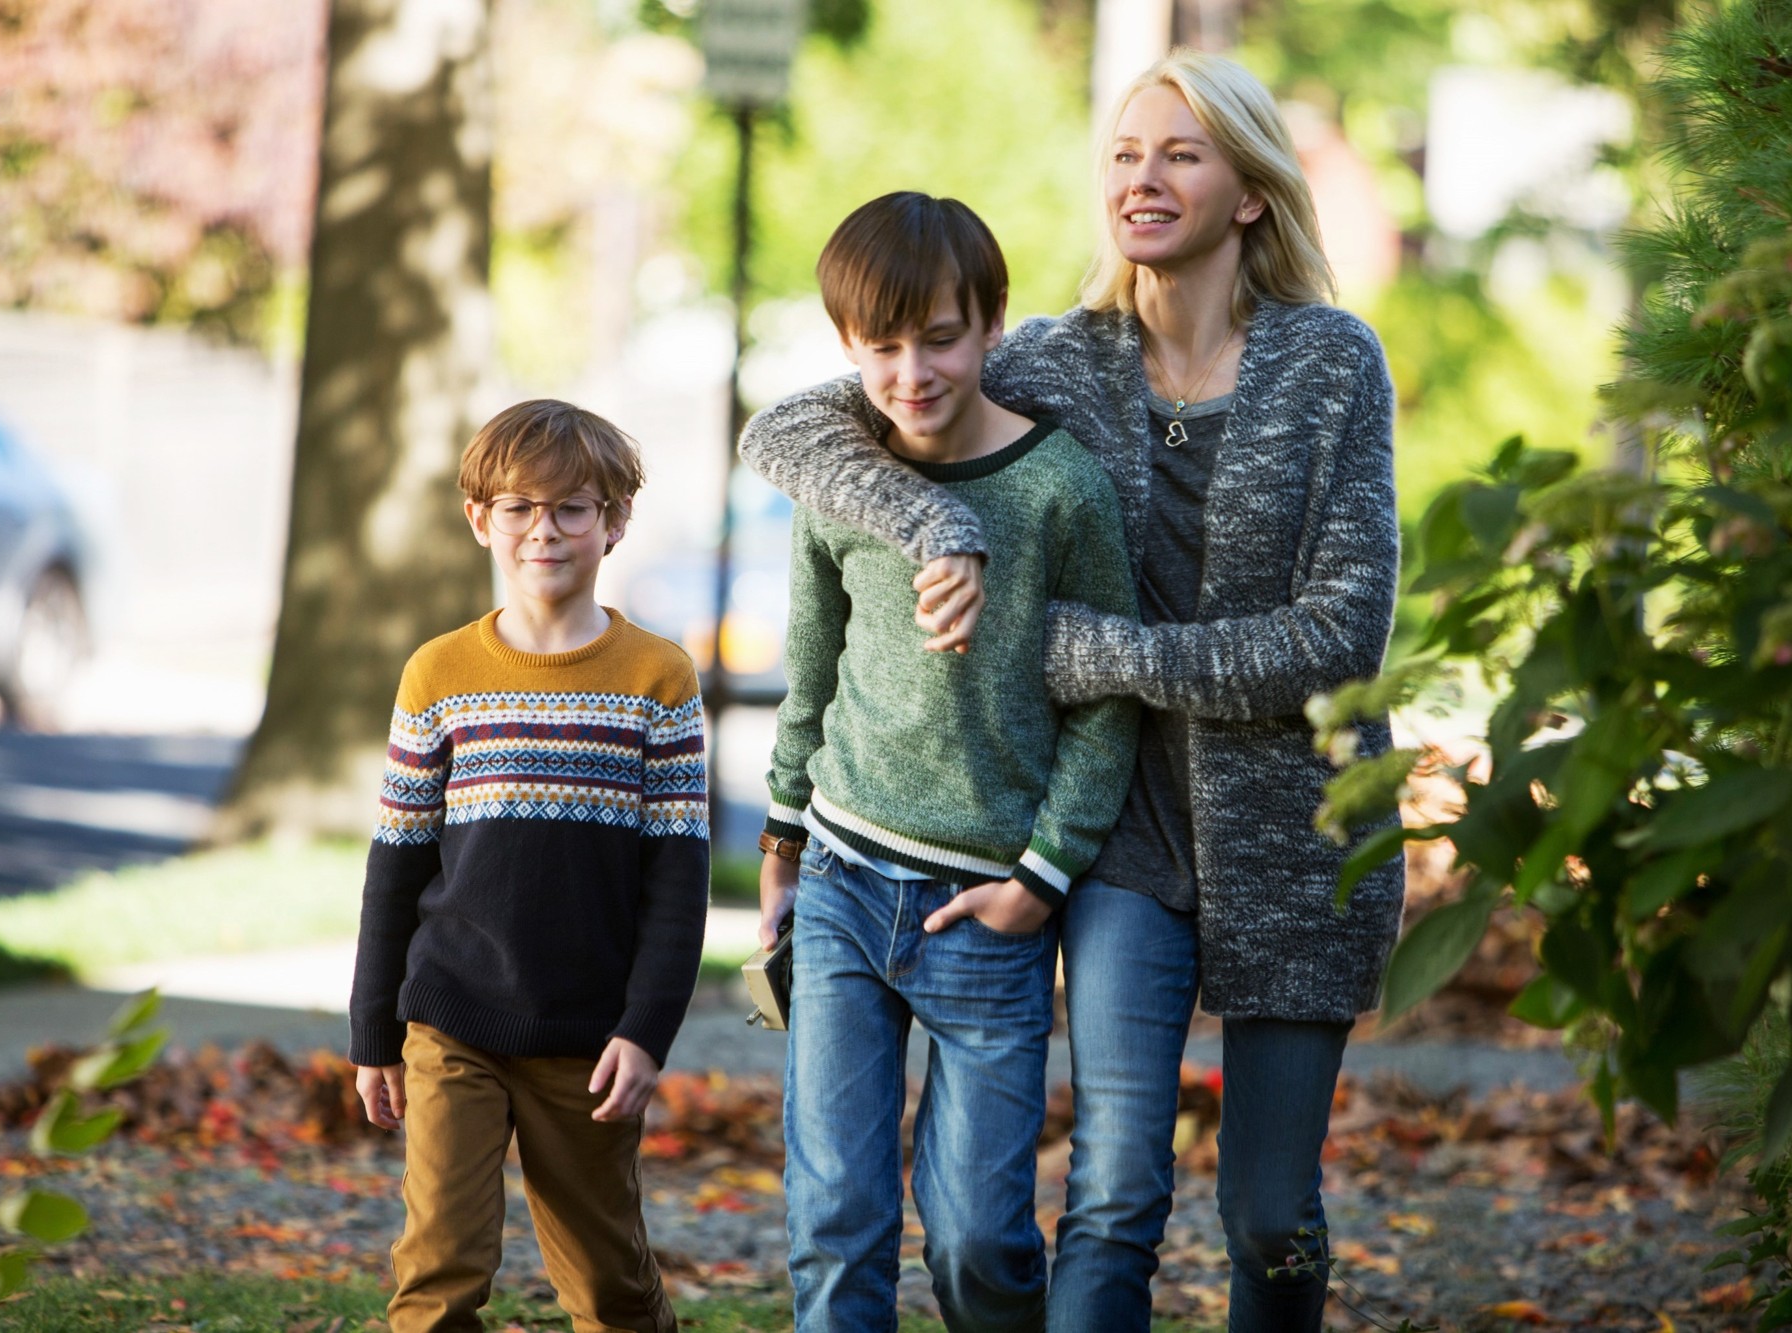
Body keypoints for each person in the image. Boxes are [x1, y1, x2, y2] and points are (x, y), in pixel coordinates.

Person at [741, 53, 1405, 1333]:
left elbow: (1337, 634)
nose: (1139, 178)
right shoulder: (1050, 357)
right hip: (1117, 835)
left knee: (1270, 1213)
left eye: (1179, 153)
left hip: (1294, 832)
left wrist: (1094, 650)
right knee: (1108, 1188)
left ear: (1250, 192)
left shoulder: (1333, 363)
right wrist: (937, 528)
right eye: (1121, 153)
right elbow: (795, 432)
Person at [756, 191, 1141, 1332]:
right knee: (834, 1218)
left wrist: (1040, 878)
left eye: (938, 336)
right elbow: (809, 671)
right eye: (880, 345)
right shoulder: (839, 483)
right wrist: (780, 840)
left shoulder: (1059, 487)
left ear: (989, 326)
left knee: (977, 1237)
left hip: (983, 912)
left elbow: (1106, 701)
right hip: (838, 883)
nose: (911, 371)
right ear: (846, 347)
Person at [348, 399, 708, 1333]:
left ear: (614, 522)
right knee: (438, 1268)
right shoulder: (438, 673)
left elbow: (677, 879)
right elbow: (396, 864)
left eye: (571, 508)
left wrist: (647, 1027)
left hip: (587, 1038)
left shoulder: (657, 677)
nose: (543, 529)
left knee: (609, 1284)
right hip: (452, 1014)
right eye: (517, 507)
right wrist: (372, 1029)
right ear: (480, 519)